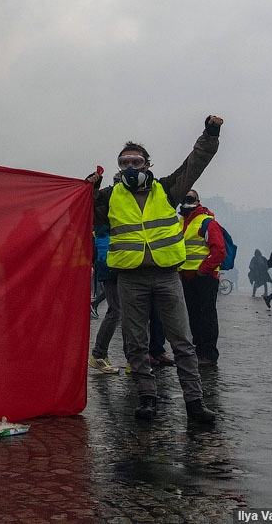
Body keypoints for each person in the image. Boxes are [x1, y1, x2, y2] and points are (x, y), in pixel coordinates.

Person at [86, 115, 223, 423]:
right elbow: (89, 217)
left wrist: (210, 134)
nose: (130, 167)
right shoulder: (109, 197)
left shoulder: (167, 190)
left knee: (182, 342)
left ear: (147, 164)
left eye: (136, 161)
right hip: (130, 279)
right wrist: (90, 191)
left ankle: (195, 402)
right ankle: (147, 397)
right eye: (124, 163)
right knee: (135, 342)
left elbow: (195, 164)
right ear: (119, 168)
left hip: (166, 276)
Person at [177, 190, 226, 366]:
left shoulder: (207, 223)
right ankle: (198, 352)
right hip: (187, 276)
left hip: (204, 277)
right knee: (192, 316)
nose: (187, 201)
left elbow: (219, 251)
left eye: (191, 198)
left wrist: (203, 270)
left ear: (198, 201)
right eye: (185, 198)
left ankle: (209, 354)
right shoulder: (181, 222)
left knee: (207, 316)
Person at [88, 225, 121, 374]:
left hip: (116, 265)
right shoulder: (106, 220)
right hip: (113, 267)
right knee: (116, 311)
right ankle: (99, 354)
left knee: (123, 312)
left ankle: (134, 360)